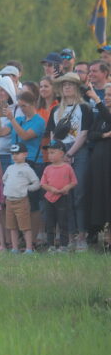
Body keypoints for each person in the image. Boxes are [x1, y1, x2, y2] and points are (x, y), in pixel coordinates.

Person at [46, 72, 93, 252]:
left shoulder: (85, 108)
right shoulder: (55, 110)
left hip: (79, 152)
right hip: (60, 152)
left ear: (77, 87)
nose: (67, 87)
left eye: (71, 84)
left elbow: (84, 133)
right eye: (64, 84)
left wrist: (70, 153)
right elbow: (53, 134)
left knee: (79, 193)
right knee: (65, 196)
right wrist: (57, 154)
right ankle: (70, 236)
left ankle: (82, 235)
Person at [2, 143, 40, 254]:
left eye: (17, 153)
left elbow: (36, 182)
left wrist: (27, 189)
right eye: (13, 153)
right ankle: (15, 248)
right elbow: (4, 179)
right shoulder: (10, 168)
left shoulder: (27, 169)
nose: (14, 156)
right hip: (9, 201)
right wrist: (9, 188)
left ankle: (29, 248)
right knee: (12, 226)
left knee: (25, 226)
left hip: (21, 201)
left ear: (25, 154)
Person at [40, 140, 78, 252]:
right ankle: (51, 246)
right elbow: (43, 183)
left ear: (61, 153)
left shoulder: (67, 167)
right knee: (50, 223)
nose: (49, 155)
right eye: (48, 153)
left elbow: (74, 182)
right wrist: (51, 189)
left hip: (63, 198)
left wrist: (66, 188)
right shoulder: (47, 168)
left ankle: (64, 246)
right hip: (49, 199)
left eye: (52, 152)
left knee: (63, 222)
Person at [86, 83, 111, 240]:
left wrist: (96, 99)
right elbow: (91, 135)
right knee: (99, 196)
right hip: (99, 162)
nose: (106, 98)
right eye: (105, 95)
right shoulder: (101, 116)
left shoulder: (104, 113)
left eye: (109, 95)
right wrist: (104, 135)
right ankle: (104, 236)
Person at [0, 75, 21, 173]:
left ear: (9, 90)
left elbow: (2, 132)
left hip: (8, 155)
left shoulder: (17, 110)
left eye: (2, 90)